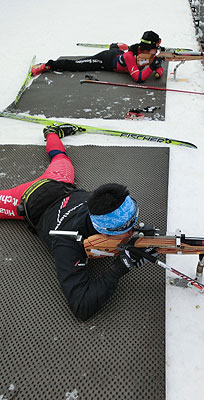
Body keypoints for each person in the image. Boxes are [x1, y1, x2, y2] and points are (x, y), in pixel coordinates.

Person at [0, 125, 153, 321]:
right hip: (25, 199)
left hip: (59, 182)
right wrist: (120, 267)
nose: (134, 230)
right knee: (58, 159)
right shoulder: (67, 242)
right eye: (128, 228)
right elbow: (81, 306)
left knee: (60, 157)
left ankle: (52, 133)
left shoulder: (104, 204)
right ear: (106, 232)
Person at [32, 31, 164, 83]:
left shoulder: (145, 53)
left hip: (118, 55)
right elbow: (138, 78)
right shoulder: (130, 56)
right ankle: (48, 65)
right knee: (77, 65)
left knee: (117, 50)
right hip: (105, 60)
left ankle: (115, 46)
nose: (156, 50)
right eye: (155, 47)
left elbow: (155, 67)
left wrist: (158, 69)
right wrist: (153, 67)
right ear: (148, 47)